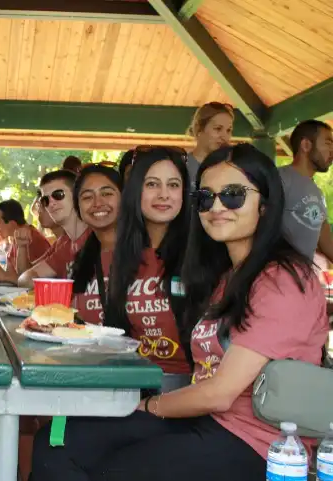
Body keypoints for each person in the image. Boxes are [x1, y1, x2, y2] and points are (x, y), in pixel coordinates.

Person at [30, 143, 329, 481]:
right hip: (206, 422)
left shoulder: (282, 279)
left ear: (265, 204)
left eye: (233, 195)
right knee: (57, 443)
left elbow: (219, 393)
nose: (216, 207)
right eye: (205, 197)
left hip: (258, 445)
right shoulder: (227, 276)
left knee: (109, 470)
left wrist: (147, 408)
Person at [106, 147, 192, 378]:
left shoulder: (202, 255)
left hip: (190, 387)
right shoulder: (124, 256)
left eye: (173, 185)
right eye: (152, 184)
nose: (164, 194)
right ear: (136, 191)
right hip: (134, 382)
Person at [69, 165, 123, 325]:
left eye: (106, 193)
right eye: (87, 197)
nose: (98, 203)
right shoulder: (83, 259)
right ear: (78, 207)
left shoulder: (148, 252)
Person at [18, 170, 90, 287]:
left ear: (77, 195)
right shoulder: (65, 245)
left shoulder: (100, 236)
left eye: (58, 195)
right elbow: (24, 277)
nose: (51, 203)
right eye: (45, 200)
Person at [279, 120, 333, 261]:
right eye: (328, 143)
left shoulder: (318, 193)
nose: (332, 150)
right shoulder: (280, 178)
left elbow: (327, 245)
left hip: (301, 278)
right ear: (306, 145)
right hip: (275, 275)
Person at [0, 199, 49, 284]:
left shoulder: (32, 239)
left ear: (12, 223)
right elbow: (6, 268)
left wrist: (6, 277)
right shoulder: (16, 238)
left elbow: (27, 280)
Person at [187, 102, 234, 188]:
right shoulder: (181, 167)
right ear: (198, 129)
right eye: (218, 129)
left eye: (228, 130)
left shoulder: (232, 169)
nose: (224, 136)